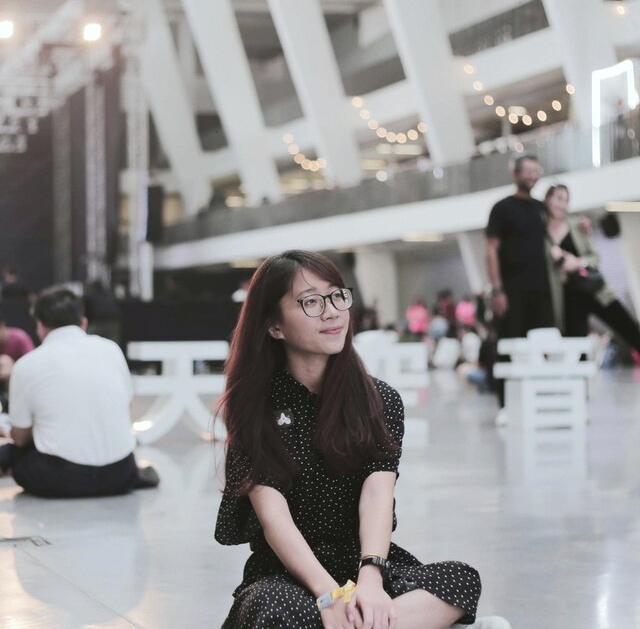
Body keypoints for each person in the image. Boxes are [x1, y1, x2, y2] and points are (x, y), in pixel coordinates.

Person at [214, 250, 510, 629]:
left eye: (337, 296)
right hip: (287, 574)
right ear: (274, 326)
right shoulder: (253, 408)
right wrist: (328, 595)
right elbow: (275, 520)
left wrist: (371, 578)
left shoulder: (378, 399)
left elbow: (377, 495)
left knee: (460, 580)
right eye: (311, 302)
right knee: (274, 609)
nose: (332, 312)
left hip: (362, 562)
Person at [0, 287, 159, 497]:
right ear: (83, 322)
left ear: (40, 325)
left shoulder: (27, 364)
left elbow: (20, 438)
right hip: (121, 473)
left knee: (14, 453)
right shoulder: (112, 349)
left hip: (62, 479)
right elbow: (126, 405)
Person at [485, 155, 555, 422]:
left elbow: (559, 231)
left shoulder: (540, 208)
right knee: (508, 346)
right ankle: (506, 405)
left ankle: (539, 401)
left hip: (541, 290)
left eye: (536, 171)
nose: (532, 175)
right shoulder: (502, 208)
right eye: (527, 171)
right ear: (514, 174)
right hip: (512, 291)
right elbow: (491, 250)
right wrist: (497, 289)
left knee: (542, 346)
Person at [544, 184, 640, 359]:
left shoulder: (577, 225)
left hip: (593, 289)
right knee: (575, 348)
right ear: (547, 199)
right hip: (568, 296)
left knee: (629, 328)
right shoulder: (541, 234)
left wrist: (577, 262)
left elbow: (595, 258)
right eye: (558, 198)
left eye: (566, 200)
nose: (562, 204)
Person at [0, 308, 35, 412]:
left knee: (5, 363)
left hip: (20, 383)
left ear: (2, 325)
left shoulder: (20, 338)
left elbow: (33, 366)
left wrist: (13, 368)